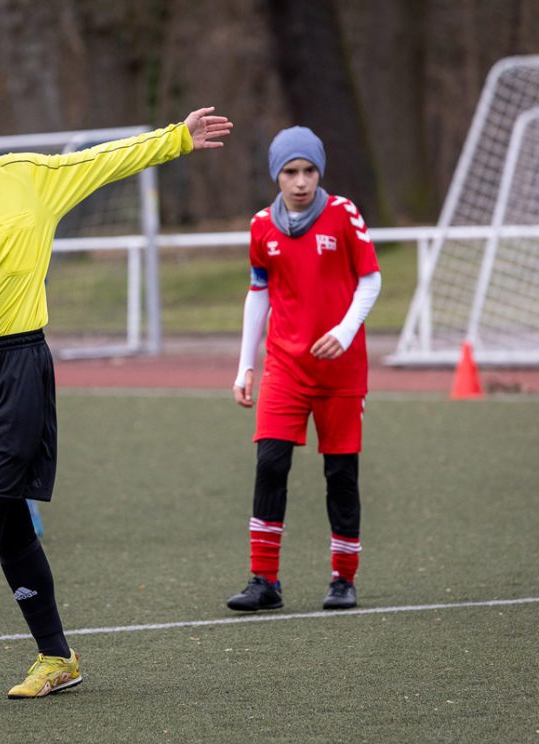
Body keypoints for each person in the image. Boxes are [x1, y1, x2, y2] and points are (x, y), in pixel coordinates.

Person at [0, 63, 233, 711]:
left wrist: (176, 137)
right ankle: (58, 657)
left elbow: (103, 160)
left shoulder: (28, 179)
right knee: (7, 528)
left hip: (20, 369)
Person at [226, 125, 381, 613]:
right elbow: (259, 293)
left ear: (319, 172)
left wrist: (347, 328)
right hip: (285, 367)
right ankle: (264, 581)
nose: (300, 181)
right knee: (270, 463)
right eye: (290, 171)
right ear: (277, 175)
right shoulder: (261, 227)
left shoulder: (343, 214)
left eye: (308, 170)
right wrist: (244, 366)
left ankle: (342, 579)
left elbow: (371, 279)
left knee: (341, 473)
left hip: (340, 370)